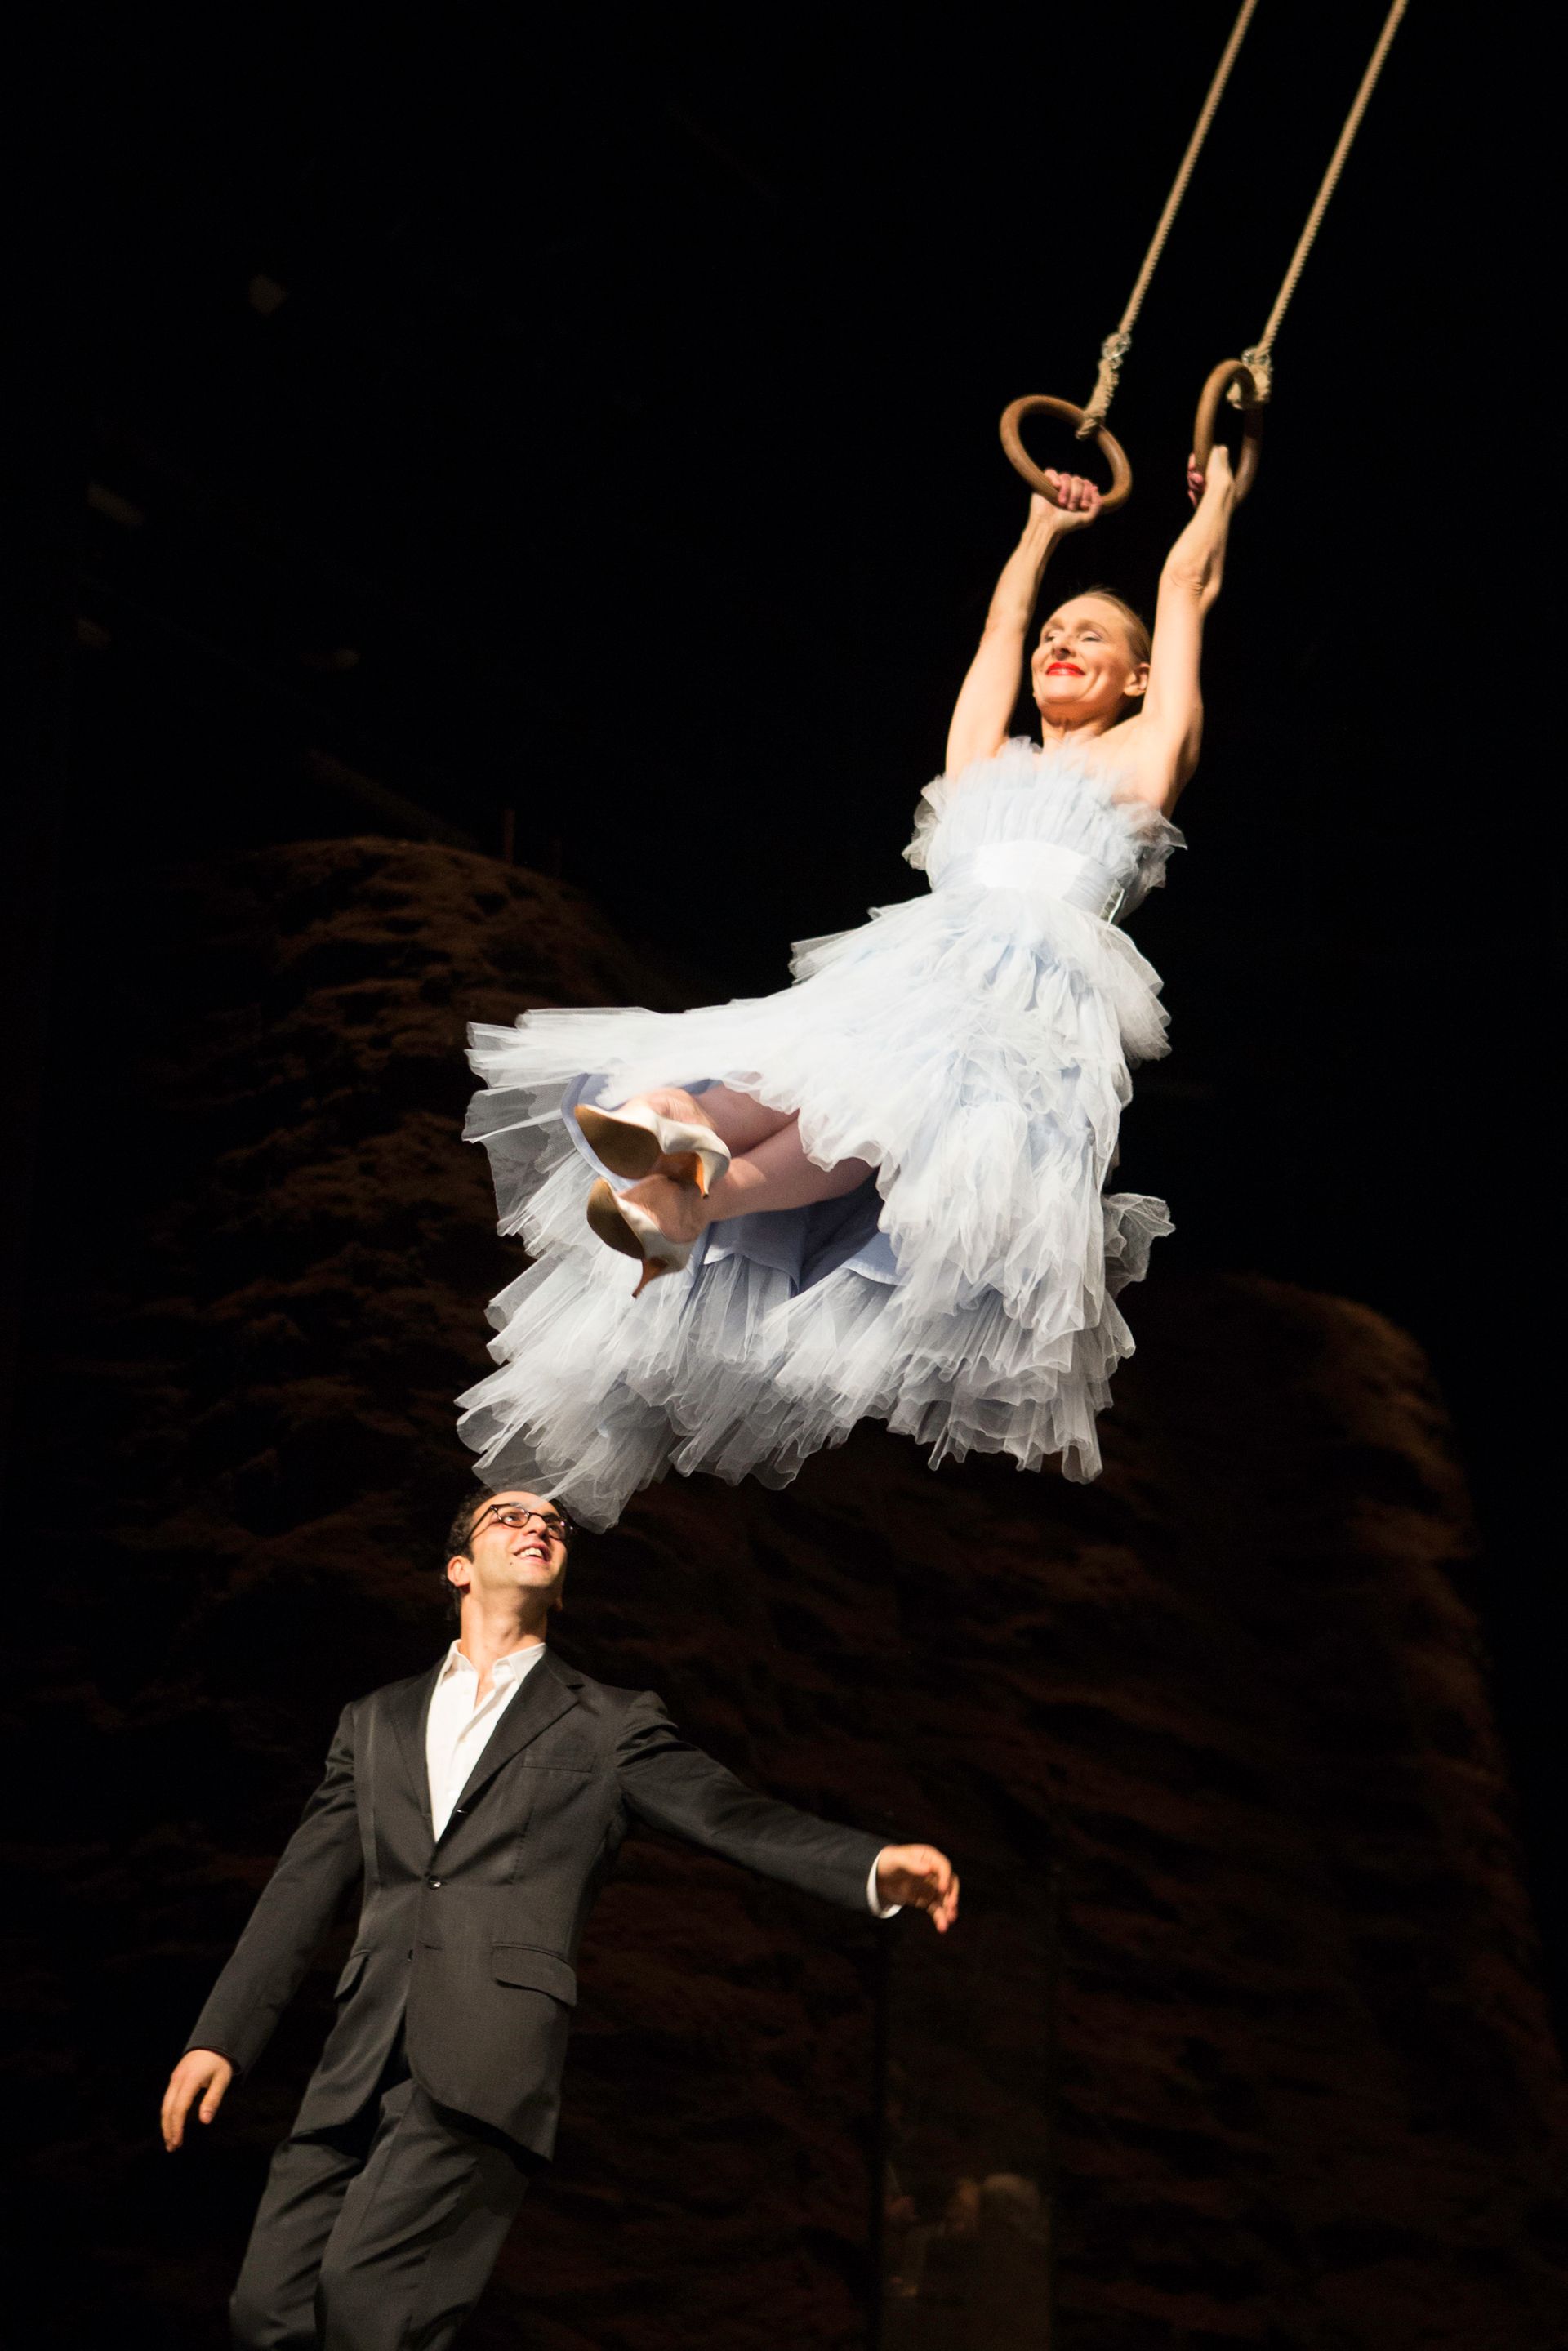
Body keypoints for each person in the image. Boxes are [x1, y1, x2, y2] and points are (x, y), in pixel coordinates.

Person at [460, 450, 1236, 1528]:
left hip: (1018, 1007)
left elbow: (1184, 592)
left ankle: (700, 1192)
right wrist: (1039, 533)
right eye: (1059, 634)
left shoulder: (1147, 757)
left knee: (901, 1120)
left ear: (1140, 679)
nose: (1060, 644)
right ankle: (683, 1167)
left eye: (1090, 636)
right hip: (909, 971)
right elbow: (998, 634)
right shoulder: (984, 761)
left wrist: (1220, 507)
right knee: (733, 1092)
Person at [162, 1490, 958, 2350]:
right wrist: (222, 2035)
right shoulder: (375, 1720)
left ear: (563, 1584)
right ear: (459, 1566)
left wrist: (870, 1865)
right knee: (265, 2309)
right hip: (358, 2057)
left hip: (485, 2059)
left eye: (555, 1525)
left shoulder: (609, 1723)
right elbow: (301, 1885)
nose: (539, 1525)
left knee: (368, 2307)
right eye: (509, 1516)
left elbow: (729, 1814)